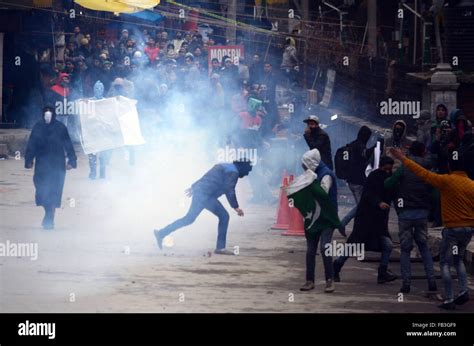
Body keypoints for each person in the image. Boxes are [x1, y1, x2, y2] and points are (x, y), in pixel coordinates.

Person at [390, 147, 474, 310]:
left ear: (449, 167)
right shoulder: (471, 185)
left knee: (444, 263)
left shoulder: (445, 181)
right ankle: (463, 290)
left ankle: (449, 298)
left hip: (452, 231)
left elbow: (422, 172)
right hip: (468, 230)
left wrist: (402, 158)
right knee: (458, 260)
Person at [153, 160, 253, 254]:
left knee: (189, 219)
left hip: (201, 193)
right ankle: (220, 248)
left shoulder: (223, 165)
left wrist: (194, 187)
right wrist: (236, 207)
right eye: (246, 172)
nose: (245, 175)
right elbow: (229, 189)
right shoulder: (234, 172)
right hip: (206, 196)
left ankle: (161, 233)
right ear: (243, 169)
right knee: (224, 216)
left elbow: (206, 177)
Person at [333, 156, 398, 284]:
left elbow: (392, 195)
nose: (388, 171)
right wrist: (378, 203)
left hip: (379, 224)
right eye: (387, 169)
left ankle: (382, 273)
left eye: (390, 170)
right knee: (352, 246)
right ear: (382, 166)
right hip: (365, 221)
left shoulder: (389, 179)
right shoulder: (373, 177)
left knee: (388, 245)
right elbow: (368, 194)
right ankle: (337, 265)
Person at [384, 142, 437, 294]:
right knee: (424, 247)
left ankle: (406, 283)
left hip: (406, 213)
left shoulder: (404, 167)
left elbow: (389, 183)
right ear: (423, 152)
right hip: (422, 213)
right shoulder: (426, 168)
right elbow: (433, 191)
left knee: (405, 250)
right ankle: (432, 282)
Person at [286, 149, 341, 293]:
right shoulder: (311, 173)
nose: (303, 168)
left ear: (311, 163)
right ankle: (309, 281)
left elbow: (323, 194)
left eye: (305, 164)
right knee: (310, 249)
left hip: (327, 217)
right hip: (313, 217)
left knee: (324, 247)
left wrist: (309, 181)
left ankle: (330, 281)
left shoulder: (326, 175)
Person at [24, 106, 77, 230]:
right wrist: (29, 160)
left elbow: (68, 144)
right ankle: (49, 212)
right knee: (41, 190)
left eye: (50, 112)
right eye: (45, 112)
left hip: (57, 165)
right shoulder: (38, 127)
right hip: (42, 165)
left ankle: (49, 217)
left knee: (54, 191)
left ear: (54, 114)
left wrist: (72, 161)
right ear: (42, 114)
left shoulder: (60, 128)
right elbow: (31, 145)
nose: (48, 115)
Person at [339, 126, 375, 230]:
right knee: (362, 206)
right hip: (358, 181)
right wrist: (375, 146)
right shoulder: (360, 146)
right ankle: (344, 222)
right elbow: (365, 155)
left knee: (361, 206)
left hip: (351, 180)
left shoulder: (352, 144)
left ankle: (359, 227)